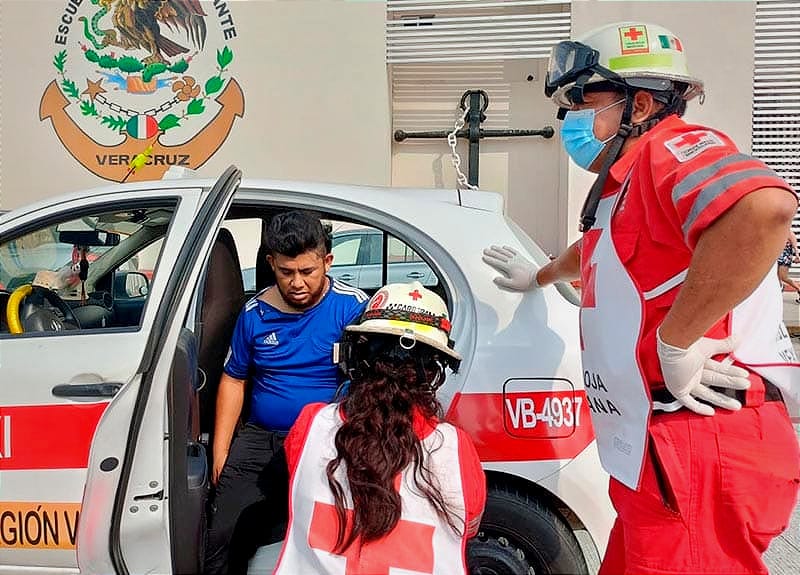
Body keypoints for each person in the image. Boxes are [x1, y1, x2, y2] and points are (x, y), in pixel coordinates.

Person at [483, 22, 800, 575]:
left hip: (697, 438)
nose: (571, 118)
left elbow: (762, 209)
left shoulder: (668, 151)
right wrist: (541, 273)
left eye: (584, 99)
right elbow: (604, 247)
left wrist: (676, 342)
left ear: (642, 103)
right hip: (658, 445)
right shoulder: (624, 187)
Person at [273, 282, 486, 575]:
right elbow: (468, 526)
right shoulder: (455, 450)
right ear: (435, 372)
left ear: (360, 359)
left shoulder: (311, 426)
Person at [205, 210, 368, 575]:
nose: (297, 283)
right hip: (261, 439)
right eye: (286, 272)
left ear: (327, 261)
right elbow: (234, 378)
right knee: (222, 537)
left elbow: (369, 383)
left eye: (307, 272)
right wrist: (221, 450)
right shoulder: (254, 313)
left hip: (327, 441)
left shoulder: (352, 307)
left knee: (328, 539)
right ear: (271, 264)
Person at [777, 229, 800, 302]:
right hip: (778, 257)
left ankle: (799, 289)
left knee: (783, 277)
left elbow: (795, 247)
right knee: (777, 276)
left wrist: (797, 256)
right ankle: (779, 289)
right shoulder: (778, 232)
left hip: (785, 257)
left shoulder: (789, 233)